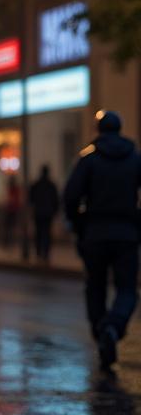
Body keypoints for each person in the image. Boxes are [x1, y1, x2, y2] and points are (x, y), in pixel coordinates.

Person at [63, 110, 141, 369]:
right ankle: (113, 325)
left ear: (99, 130)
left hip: (95, 233)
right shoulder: (134, 158)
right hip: (127, 233)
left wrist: (77, 223)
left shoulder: (89, 159)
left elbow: (71, 195)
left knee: (95, 286)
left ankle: (101, 330)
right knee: (127, 289)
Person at [29, 165, 59, 264]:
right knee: (46, 234)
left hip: (38, 213)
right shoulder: (51, 185)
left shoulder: (36, 185)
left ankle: (38, 253)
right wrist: (55, 211)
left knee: (39, 233)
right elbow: (56, 201)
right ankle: (45, 254)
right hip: (48, 213)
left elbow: (31, 199)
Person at [3, 175, 22, 249]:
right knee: (9, 228)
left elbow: (13, 200)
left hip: (12, 210)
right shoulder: (13, 189)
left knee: (9, 228)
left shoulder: (14, 189)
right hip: (11, 210)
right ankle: (8, 242)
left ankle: (9, 242)